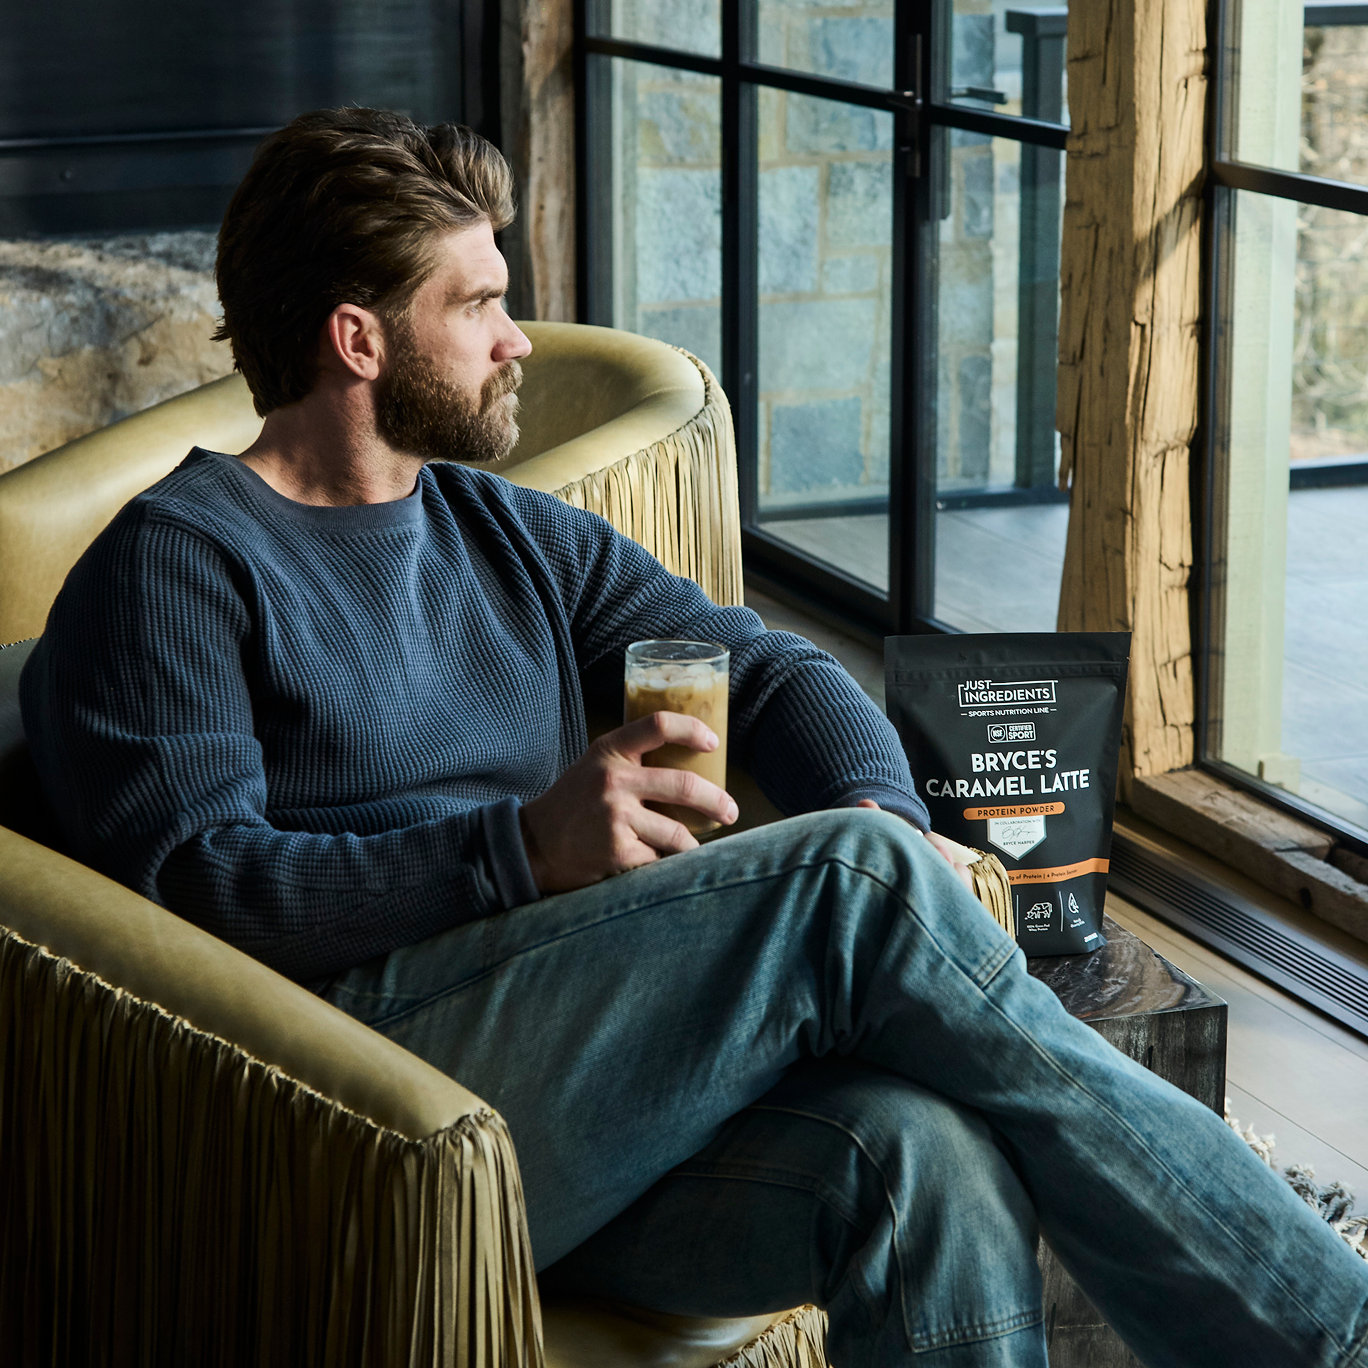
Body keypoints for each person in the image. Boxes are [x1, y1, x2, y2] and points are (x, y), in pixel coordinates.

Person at [20, 108, 1368, 1368]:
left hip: (575, 1087)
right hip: (357, 1107)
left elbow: (774, 668)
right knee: (850, 884)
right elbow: (191, 887)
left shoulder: (507, 534)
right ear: (358, 340)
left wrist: (891, 821)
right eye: (479, 304)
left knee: (920, 1156)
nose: (519, 341)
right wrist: (517, 848)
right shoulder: (179, 568)